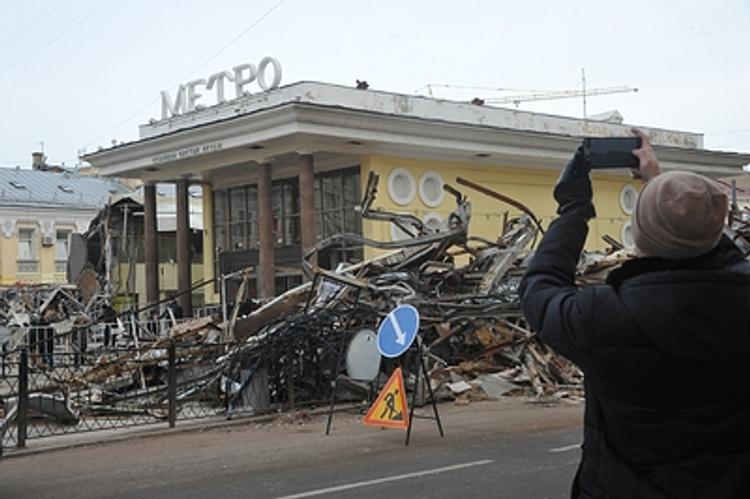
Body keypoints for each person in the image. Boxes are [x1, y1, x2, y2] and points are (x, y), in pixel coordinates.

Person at [519, 128, 750, 498]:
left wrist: (574, 210)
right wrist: (664, 190)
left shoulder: (602, 317)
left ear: (640, 234)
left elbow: (539, 289)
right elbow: (722, 256)